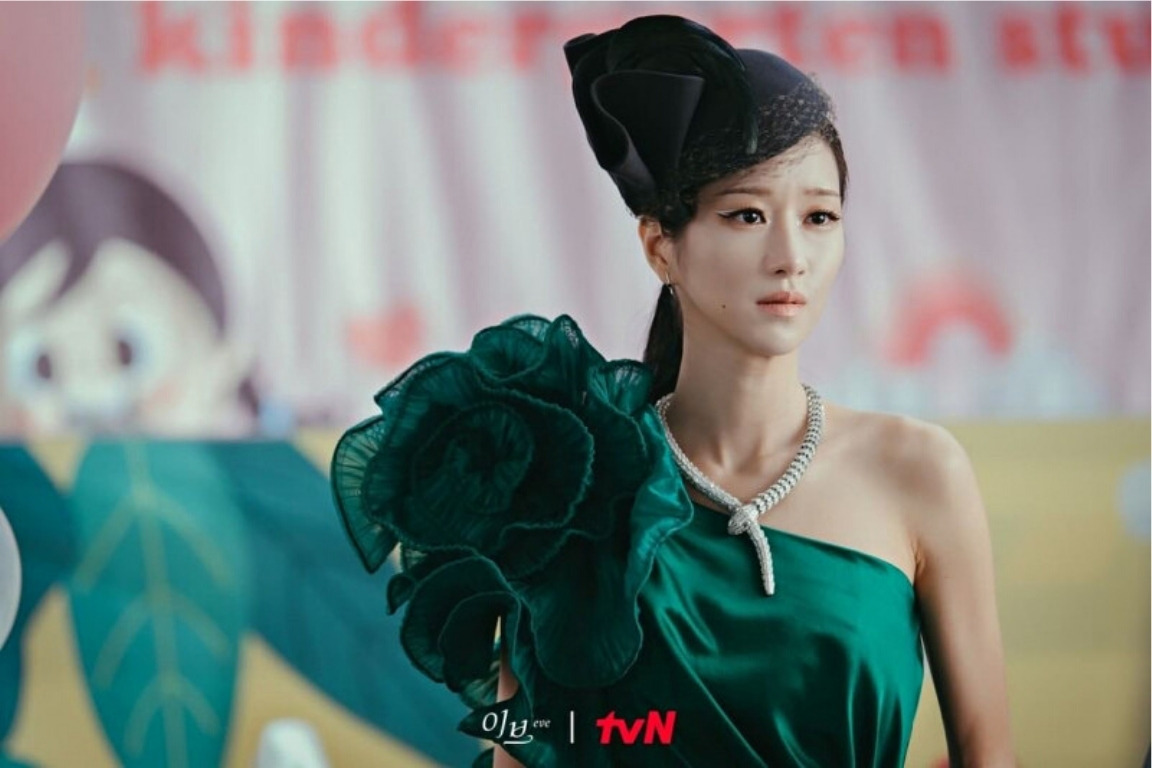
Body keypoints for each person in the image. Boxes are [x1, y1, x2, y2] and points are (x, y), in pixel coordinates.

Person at [331, 14, 1015, 768]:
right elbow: (523, 748)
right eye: (747, 214)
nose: (791, 255)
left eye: (820, 216)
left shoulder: (918, 473)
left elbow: (989, 755)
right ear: (661, 246)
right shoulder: (571, 485)